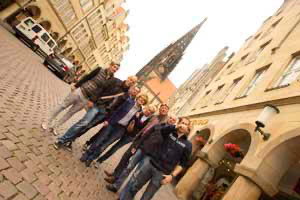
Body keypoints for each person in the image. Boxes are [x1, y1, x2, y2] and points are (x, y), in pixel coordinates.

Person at [119, 117, 192, 200]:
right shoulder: (169, 132)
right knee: (134, 186)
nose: (183, 125)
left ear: (188, 128)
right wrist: (175, 127)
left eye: (186, 124)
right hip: (150, 164)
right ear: (179, 123)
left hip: (162, 173)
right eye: (182, 123)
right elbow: (162, 130)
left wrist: (171, 176)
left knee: (147, 196)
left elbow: (183, 163)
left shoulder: (188, 145)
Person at [53, 81, 138, 150]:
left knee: (87, 127)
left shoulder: (128, 97)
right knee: (83, 123)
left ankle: (70, 140)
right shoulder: (116, 82)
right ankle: (62, 140)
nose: (133, 89)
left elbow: (118, 109)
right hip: (98, 106)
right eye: (133, 87)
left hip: (105, 114)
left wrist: (109, 118)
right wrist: (93, 100)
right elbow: (102, 89)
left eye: (133, 85)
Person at [42, 62, 120, 134]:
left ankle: (55, 127)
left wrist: (92, 101)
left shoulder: (111, 80)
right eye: (114, 67)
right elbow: (87, 77)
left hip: (86, 99)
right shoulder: (100, 69)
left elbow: (102, 92)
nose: (115, 69)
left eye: (117, 69)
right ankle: (47, 122)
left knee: (70, 113)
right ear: (110, 65)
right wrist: (76, 85)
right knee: (62, 105)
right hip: (80, 91)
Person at [105, 114, 176, 193]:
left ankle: (124, 194)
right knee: (129, 167)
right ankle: (116, 186)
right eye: (171, 118)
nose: (171, 120)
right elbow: (146, 135)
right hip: (142, 149)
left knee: (136, 174)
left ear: (175, 123)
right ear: (168, 118)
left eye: (173, 120)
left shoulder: (171, 135)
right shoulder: (158, 125)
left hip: (150, 156)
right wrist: (137, 146)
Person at [80, 94, 149, 167]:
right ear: (138, 97)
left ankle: (91, 159)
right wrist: (108, 120)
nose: (141, 100)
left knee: (105, 144)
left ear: (144, 103)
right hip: (113, 123)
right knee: (99, 140)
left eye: (143, 100)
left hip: (121, 129)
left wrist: (137, 117)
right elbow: (118, 110)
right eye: (141, 98)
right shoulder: (129, 102)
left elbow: (137, 124)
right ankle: (86, 154)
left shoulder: (140, 111)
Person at [82, 82, 140, 151]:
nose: (134, 91)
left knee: (101, 133)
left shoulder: (132, 102)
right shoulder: (124, 94)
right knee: (89, 125)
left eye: (136, 91)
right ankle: (74, 137)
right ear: (131, 88)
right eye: (134, 89)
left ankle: (88, 144)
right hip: (107, 113)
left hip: (112, 118)